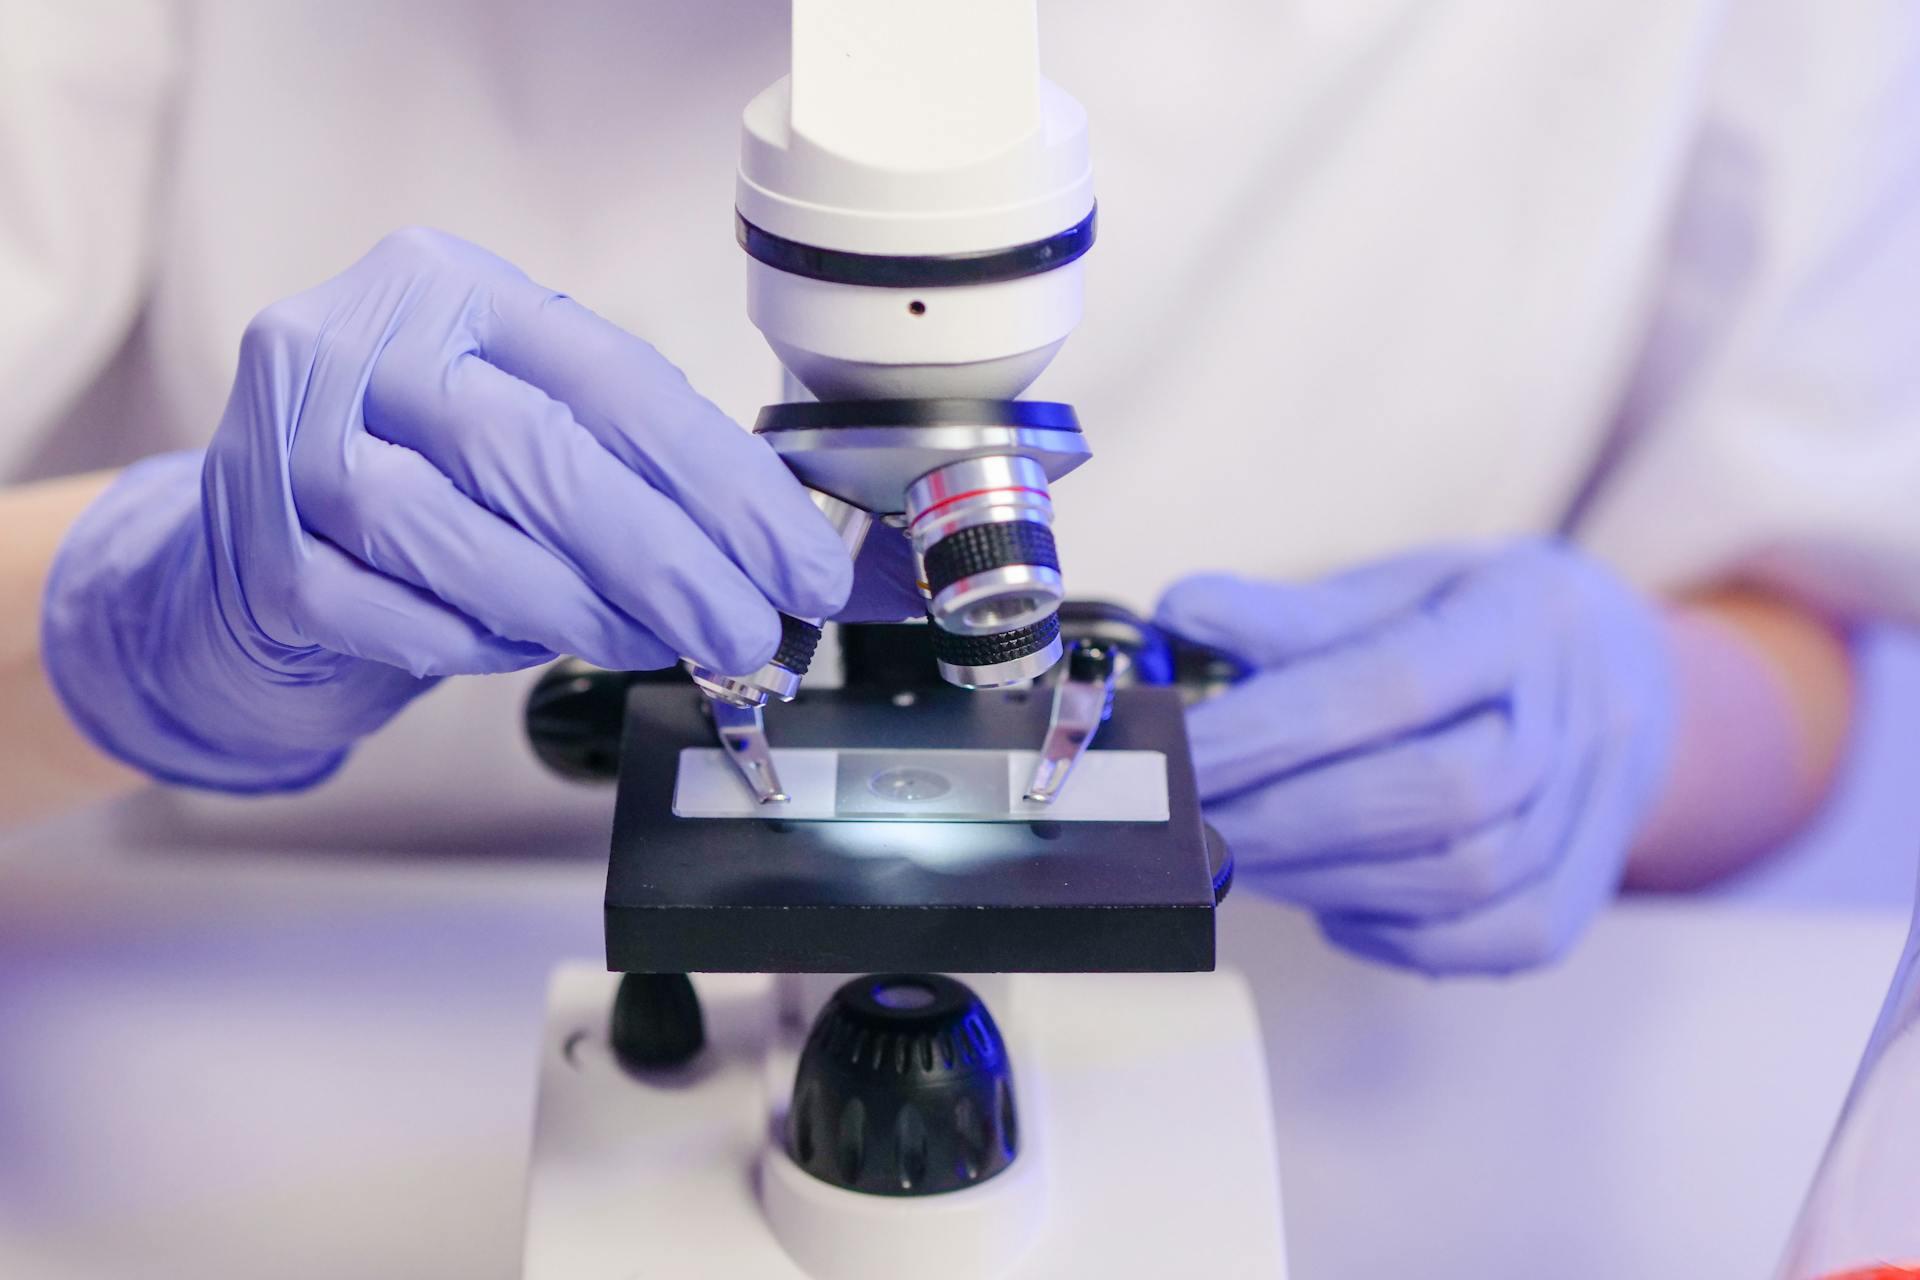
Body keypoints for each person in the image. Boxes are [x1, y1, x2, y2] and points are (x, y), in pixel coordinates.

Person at [0, 1, 1906, 977]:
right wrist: (110, 629)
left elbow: (1779, 607)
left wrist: (1620, 721)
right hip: (246, 1045)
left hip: (1339, 1076)